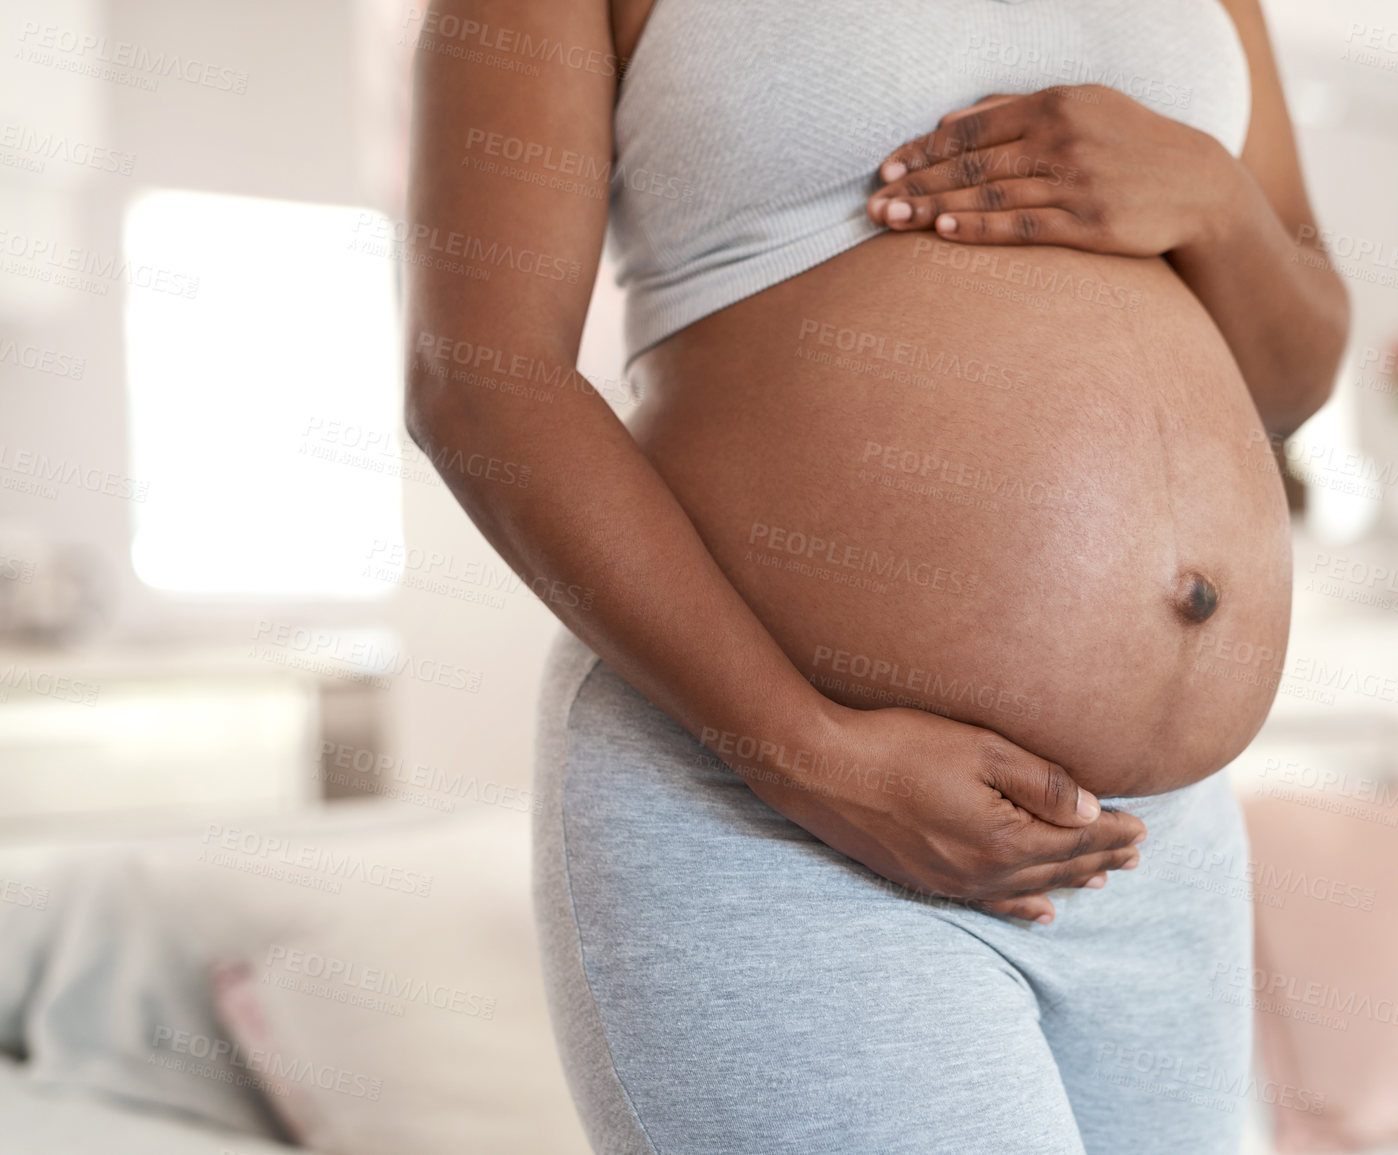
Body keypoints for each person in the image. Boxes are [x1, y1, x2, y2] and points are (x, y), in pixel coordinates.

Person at [404, 0, 1348, 1150]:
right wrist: (805, 756)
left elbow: (1293, 378)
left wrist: (1212, 197)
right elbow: (480, 373)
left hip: (1156, 850)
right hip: (786, 816)